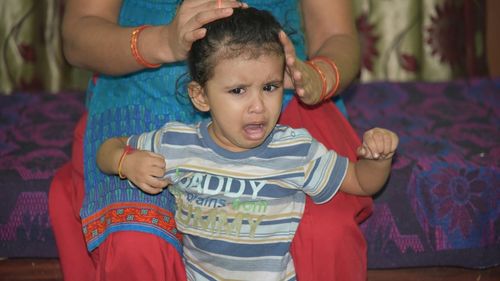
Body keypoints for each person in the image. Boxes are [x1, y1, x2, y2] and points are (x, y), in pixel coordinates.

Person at [49, 0, 371, 280]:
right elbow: (78, 36)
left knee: (326, 236)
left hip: (281, 95)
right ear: (197, 95)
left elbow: (336, 35)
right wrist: (161, 41)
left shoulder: (268, 109)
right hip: (140, 89)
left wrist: (319, 76)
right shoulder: (164, 139)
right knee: (136, 243)